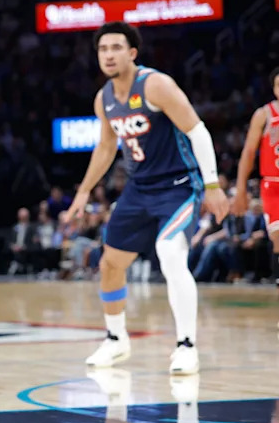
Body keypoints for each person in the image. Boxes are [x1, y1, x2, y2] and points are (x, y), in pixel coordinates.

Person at [61, 21, 228, 375]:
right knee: (110, 263)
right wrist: (83, 191)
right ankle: (116, 339)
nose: (108, 55)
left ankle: (186, 345)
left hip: (179, 186)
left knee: (170, 254)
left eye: (116, 48)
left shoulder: (155, 84)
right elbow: (106, 147)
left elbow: (197, 131)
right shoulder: (104, 98)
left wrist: (212, 186)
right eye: (103, 49)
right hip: (138, 190)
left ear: (132, 53)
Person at [232, 66, 279, 285]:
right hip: (273, 186)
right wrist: (241, 189)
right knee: (278, 241)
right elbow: (249, 153)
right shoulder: (264, 114)